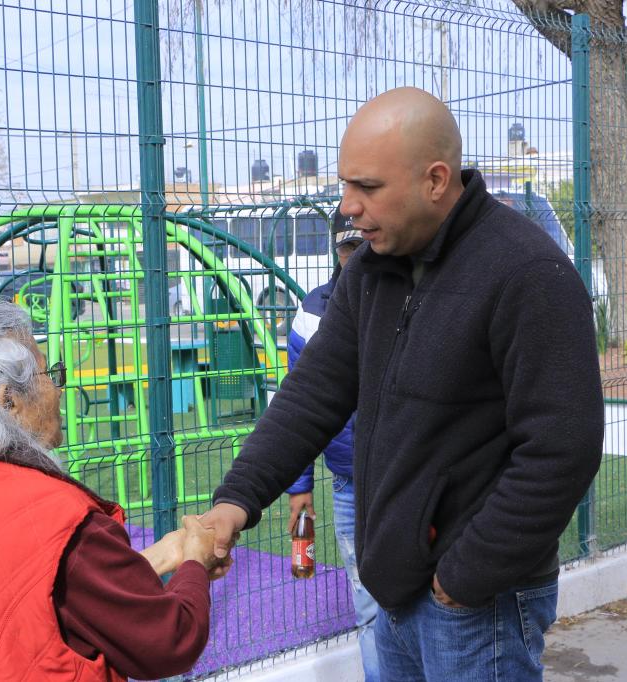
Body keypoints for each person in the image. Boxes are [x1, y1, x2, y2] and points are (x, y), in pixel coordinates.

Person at [200, 86, 604, 680]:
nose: (348, 206)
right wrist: (235, 501)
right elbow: (311, 396)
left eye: (367, 187)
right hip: (392, 588)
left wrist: (466, 575)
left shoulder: (527, 272)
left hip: (477, 606)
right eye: (346, 185)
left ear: (435, 180)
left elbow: (562, 447)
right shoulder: (369, 271)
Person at [0, 301, 224, 681]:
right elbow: (170, 640)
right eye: (49, 374)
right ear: (8, 399)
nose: (58, 389)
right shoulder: (55, 516)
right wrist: (194, 563)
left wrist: (160, 557)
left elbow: (25, 594)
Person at [285, 209, 379, 681]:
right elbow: (298, 403)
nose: (355, 256)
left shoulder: (410, 292)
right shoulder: (313, 311)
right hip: (348, 483)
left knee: (419, 601)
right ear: (336, 250)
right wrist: (300, 486)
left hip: (408, 476)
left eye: (362, 246)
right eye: (347, 248)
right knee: (369, 606)